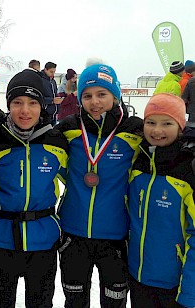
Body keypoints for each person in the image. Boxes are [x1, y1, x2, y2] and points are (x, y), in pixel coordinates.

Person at [0, 69, 68, 307]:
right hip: (2, 241)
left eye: (32, 103)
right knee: (1, 302)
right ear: (8, 105)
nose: (25, 110)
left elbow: (82, 182)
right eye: (17, 102)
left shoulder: (56, 143)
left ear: (42, 107)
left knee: (40, 303)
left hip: (44, 242)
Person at [55, 63, 143, 308]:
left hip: (116, 235)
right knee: (74, 301)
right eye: (87, 95)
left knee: (114, 303)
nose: (95, 102)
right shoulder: (69, 128)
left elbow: (164, 142)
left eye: (102, 94)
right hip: (74, 233)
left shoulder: (134, 131)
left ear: (115, 95)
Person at [128, 93, 195, 308]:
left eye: (167, 123)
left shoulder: (187, 171)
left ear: (180, 127)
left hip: (174, 285)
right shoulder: (138, 164)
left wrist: (189, 294)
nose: (157, 131)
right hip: (138, 277)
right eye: (150, 122)